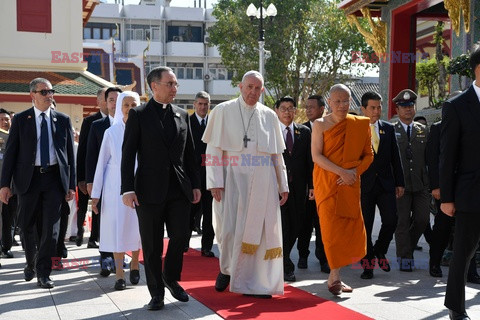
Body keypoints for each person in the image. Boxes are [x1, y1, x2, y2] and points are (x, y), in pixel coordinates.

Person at [121, 66, 201, 311]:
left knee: (180, 237)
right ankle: (156, 292)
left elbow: (191, 154)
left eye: (176, 84)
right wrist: (127, 189)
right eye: (170, 84)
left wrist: (196, 185)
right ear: (154, 86)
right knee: (153, 245)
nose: (175, 88)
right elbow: (128, 154)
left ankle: (170, 277)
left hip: (179, 189)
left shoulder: (182, 115)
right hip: (148, 190)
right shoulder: (139, 115)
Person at [203, 70, 288, 298]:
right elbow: (213, 150)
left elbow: (276, 154)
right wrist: (215, 182)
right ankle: (227, 270)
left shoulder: (270, 115)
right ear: (240, 86)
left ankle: (259, 282)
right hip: (232, 177)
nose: (253, 92)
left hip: (263, 179)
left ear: (262, 90)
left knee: (261, 232)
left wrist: (283, 184)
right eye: (249, 87)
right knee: (228, 228)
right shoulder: (222, 111)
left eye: (257, 88)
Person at [0, 78, 75, 288]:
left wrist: (70, 184)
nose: (49, 95)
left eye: (51, 91)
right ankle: (30, 263)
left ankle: (43, 272)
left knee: (51, 229)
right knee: (25, 225)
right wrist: (4, 185)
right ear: (32, 95)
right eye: (44, 92)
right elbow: (11, 154)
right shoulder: (22, 119)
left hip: (53, 179)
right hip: (28, 180)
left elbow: (69, 155)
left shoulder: (62, 119)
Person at [311, 84, 373, 296]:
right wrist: (341, 172)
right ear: (329, 102)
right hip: (327, 184)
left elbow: (369, 155)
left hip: (349, 184)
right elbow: (316, 156)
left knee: (348, 230)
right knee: (330, 231)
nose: (342, 105)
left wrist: (353, 173)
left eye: (346, 100)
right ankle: (334, 276)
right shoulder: (319, 124)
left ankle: (336, 275)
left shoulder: (360, 124)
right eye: (337, 101)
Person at [440, 45, 480, 320]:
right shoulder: (456, 106)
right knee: (464, 253)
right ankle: (456, 307)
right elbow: (447, 155)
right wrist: (446, 198)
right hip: (470, 193)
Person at [91, 91, 142, 291]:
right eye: (126, 105)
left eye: (133, 104)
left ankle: (136, 262)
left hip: (140, 187)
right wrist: (96, 195)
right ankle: (120, 274)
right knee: (117, 230)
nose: (129, 108)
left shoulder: (146, 129)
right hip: (115, 190)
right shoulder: (111, 132)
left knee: (137, 228)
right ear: (120, 107)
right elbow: (101, 164)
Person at [427, 119, 480, 283]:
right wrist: (435, 186)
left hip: (467, 185)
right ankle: (435, 263)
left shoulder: (471, 124)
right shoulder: (437, 128)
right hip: (446, 186)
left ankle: (470, 271)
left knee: (468, 229)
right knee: (443, 226)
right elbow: (432, 158)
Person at [359, 92, 405, 279]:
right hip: (364, 185)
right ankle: (367, 264)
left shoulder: (388, 128)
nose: (377, 111)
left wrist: (400, 182)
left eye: (379, 107)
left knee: (391, 221)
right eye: (372, 107)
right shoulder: (355, 129)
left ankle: (380, 250)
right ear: (363, 109)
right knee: (366, 227)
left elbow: (396, 157)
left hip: (386, 184)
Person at [274, 96, 312, 283]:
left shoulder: (304, 132)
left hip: (299, 188)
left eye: (290, 108)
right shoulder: (270, 132)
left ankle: (283, 258)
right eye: (283, 108)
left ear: (295, 111)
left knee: (296, 225)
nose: (287, 112)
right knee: (284, 227)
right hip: (277, 189)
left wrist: (312, 186)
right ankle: (286, 266)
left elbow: (310, 162)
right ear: (276, 111)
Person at [392, 89, 430, 272]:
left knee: (422, 220)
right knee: (402, 222)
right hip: (401, 185)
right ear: (397, 109)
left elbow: (430, 158)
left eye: (410, 106)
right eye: (403, 106)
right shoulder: (392, 130)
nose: (408, 110)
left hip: (421, 183)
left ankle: (407, 246)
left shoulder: (423, 130)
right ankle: (405, 258)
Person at [86, 87, 122, 276]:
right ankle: (106, 257)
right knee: (104, 219)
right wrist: (91, 182)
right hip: (104, 181)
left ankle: (121, 257)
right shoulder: (97, 125)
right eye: (111, 100)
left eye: (118, 99)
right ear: (105, 102)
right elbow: (90, 156)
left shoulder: (132, 124)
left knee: (123, 220)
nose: (115, 103)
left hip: (125, 183)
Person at [297, 95, 330, 273]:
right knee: (305, 223)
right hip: (307, 186)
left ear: (322, 108)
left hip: (325, 185)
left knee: (322, 224)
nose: (308, 110)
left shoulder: (330, 129)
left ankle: (323, 257)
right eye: (306, 107)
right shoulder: (301, 131)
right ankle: (303, 255)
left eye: (312, 107)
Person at [76, 88, 107, 247]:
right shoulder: (90, 122)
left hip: (108, 174)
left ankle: (94, 238)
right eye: (106, 98)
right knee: (83, 205)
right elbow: (82, 151)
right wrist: (81, 177)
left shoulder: (120, 120)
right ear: (99, 101)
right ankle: (80, 231)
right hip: (90, 172)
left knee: (100, 206)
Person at [188, 91, 215, 257]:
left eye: (206, 104)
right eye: (200, 104)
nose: (203, 107)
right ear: (194, 105)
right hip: (192, 176)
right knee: (189, 212)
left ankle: (207, 247)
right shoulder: (187, 122)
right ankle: (183, 244)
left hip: (211, 175)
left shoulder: (214, 123)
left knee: (210, 214)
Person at [0, 109, 14, 259]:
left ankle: (6, 246)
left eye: (7, 119)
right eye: (1, 119)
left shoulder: (14, 138)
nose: (4, 122)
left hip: (12, 186)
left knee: (9, 218)